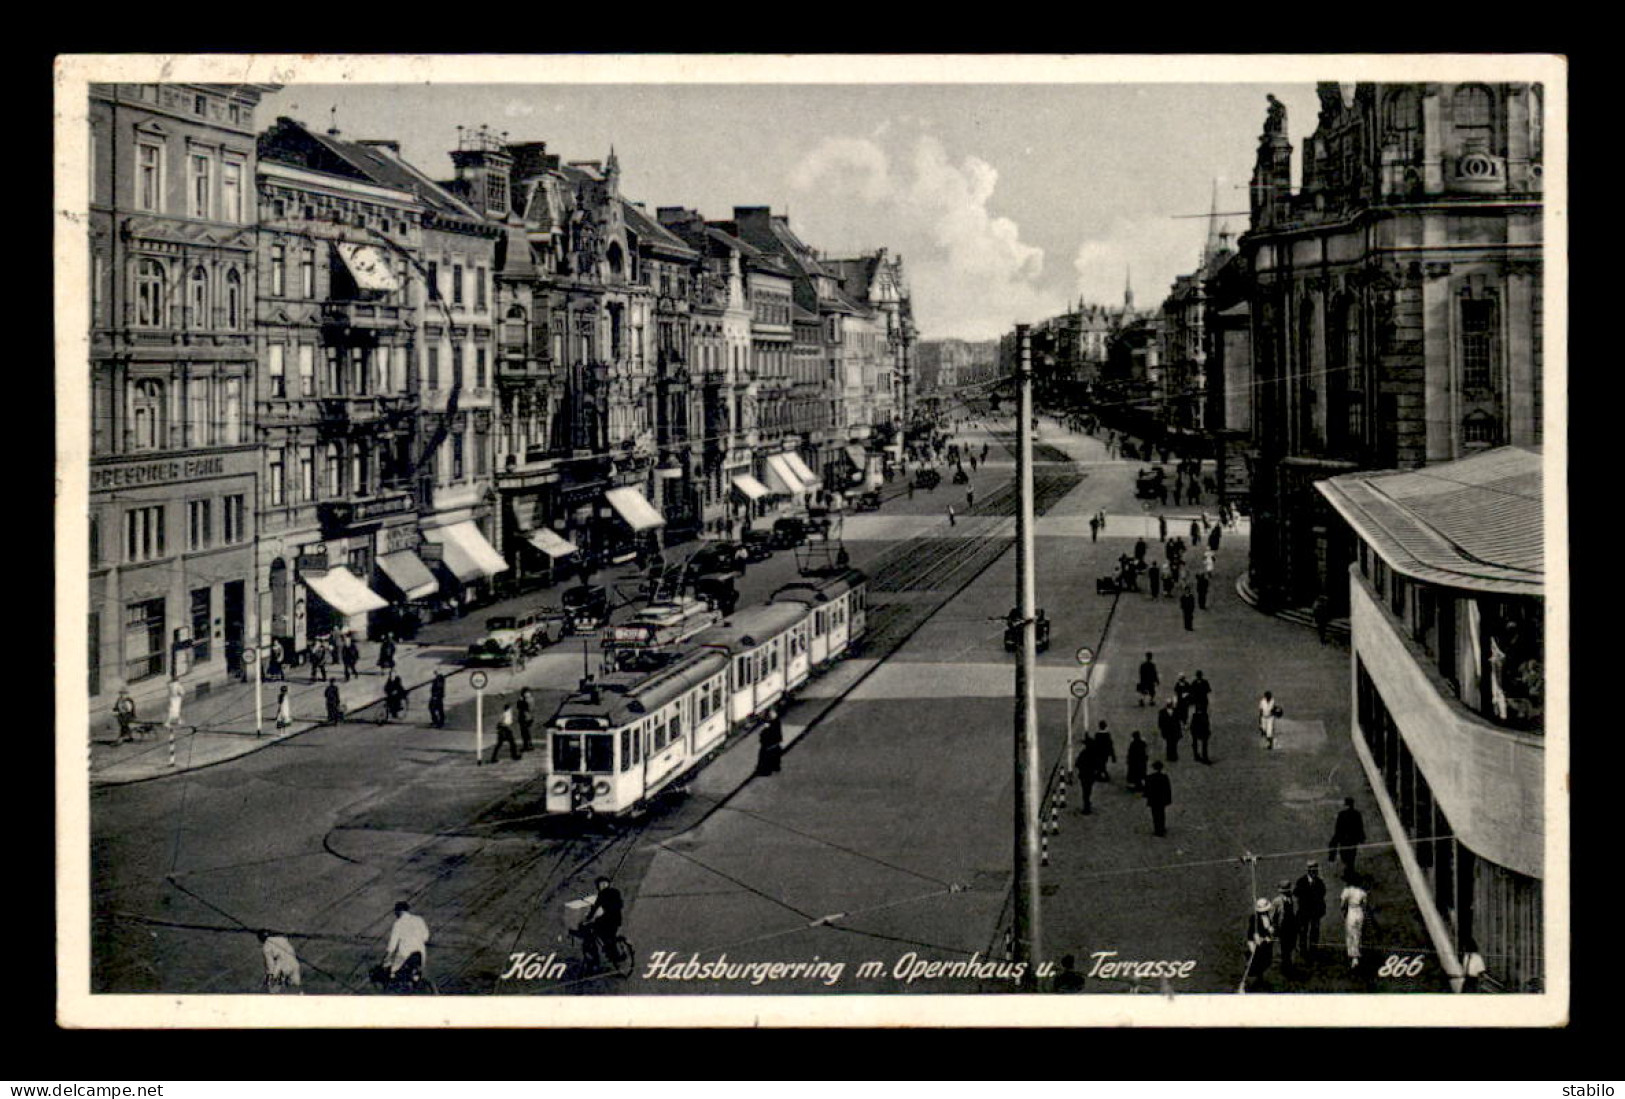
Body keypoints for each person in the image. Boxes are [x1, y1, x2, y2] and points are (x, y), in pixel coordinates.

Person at [382, 901, 431, 989]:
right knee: (415, 972)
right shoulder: (419, 919)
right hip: (420, 954)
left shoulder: (398, 923)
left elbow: (392, 946)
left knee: (391, 972)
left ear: (398, 911)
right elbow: (426, 937)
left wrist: (386, 959)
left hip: (405, 954)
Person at [582, 876, 625, 967]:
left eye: (604, 884)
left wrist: (588, 919)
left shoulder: (605, 894)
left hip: (609, 920)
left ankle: (612, 955)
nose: (603, 886)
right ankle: (611, 953)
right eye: (601, 884)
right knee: (608, 937)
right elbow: (596, 907)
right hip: (614, 919)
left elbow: (596, 908)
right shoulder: (613, 892)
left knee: (604, 936)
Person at [1292, 861, 1328, 961]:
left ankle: (1313, 950)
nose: (1313, 872)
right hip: (1304, 912)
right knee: (1303, 931)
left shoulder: (1320, 882)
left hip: (1315, 912)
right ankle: (1303, 951)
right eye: (1311, 870)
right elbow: (1296, 893)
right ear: (1308, 871)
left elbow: (1323, 893)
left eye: (1315, 870)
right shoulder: (1301, 881)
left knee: (1315, 931)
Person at [1329, 797, 1366, 878]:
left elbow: (1338, 827)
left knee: (1344, 853)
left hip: (1345, 839)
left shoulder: (1342, 814)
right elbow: (1360, 827)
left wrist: (1337, 837)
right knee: (1351, 853)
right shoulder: (1357, 814)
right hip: (1352, 839)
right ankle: (1350, 867)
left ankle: (1348, 867)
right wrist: (1361, 838)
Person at [1244, 897, 1276, 990]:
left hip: (1267, 943)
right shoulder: (1254, 918)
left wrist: (1270, 932)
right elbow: (1251, 932)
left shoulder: (1268, 917)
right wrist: (1254, 939)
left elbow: (1269, 928)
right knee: (1258, 962)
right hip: (1258, 944)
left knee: (1267, 960)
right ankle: (1258, 978)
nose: (1265, 912)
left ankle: (1260, 977)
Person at [1271, 881, 1299, 977]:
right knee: (1285, 948)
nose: (1286, 893)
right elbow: (1273, 916)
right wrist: (1275, 928)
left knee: (1291, 946)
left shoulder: (1291, 899)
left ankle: (1288, 963)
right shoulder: (1277, 901)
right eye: (1284, 891)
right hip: (1283, 928)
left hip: (1291, 926)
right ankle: (1286, 966)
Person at [1340, 881, 1369, 971]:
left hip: (1351, 912)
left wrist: (1343, 911)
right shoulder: (1362, 892)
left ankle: (1353, 955)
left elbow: (1342, 904)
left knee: (1350, 933)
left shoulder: (1347, 891)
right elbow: (1365, 905)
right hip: (1359, 913)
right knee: (1357, 933)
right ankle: (1355, 954)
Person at [1144, 761, 1172, 837]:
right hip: (1161, 799)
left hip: (1153, 800)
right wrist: (1168, 799)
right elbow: (1168, 789)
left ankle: (1157, 829)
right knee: (1161, 814)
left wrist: (1147, 796)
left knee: (1155, 815)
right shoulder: (1164, 777)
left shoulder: (1149, 778)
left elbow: (1147, 790)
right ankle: (1161, 828)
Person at [757, 710, 784, 775]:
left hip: (769, 745)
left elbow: (763, 736)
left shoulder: (769, 725)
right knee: (775, 755)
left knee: (765, 756)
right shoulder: (776, 722)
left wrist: (763, 731)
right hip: (775, 743)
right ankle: (775, 767)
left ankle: (765, 771)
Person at [1075, 736, 1096, 814]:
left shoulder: (1083, 753)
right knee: (1088, 791)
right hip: (1091, 775)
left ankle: (1086, 806)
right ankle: (1087, 804)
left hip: (1084, 775)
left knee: (1085, 791)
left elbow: (1077, 763)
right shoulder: (1094, 754)